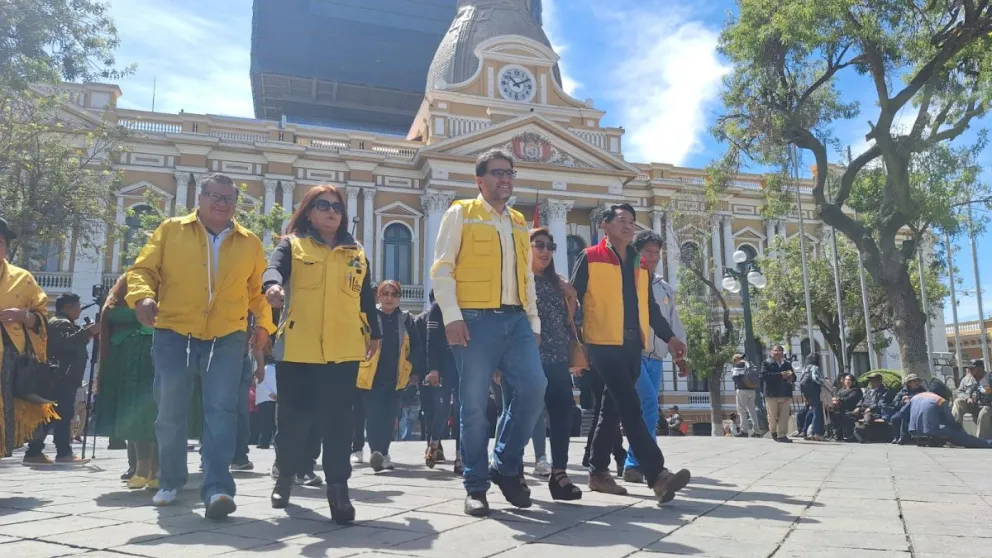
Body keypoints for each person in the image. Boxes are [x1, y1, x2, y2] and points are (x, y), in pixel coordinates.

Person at [126, 173, 274, 518]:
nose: (221, 204)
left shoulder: (249, 241)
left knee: (221, 410)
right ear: (200, 197)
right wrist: (143, 296)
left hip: (227, 335)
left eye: (228, 199)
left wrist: (265, 325)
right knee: (170, 410)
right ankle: (171, 479)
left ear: (236, 205)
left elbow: (257, 291)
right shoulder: (170, 230)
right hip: (174, 331)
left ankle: (218, 488)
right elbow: (142, 270)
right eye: (215, 196)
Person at [431, 149, 547, 516]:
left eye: (510, 172)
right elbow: (442, 267)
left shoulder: (516, 221)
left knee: (534, 388)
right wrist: (452, 315)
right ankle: (476, 486)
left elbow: (526, 277)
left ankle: (504, 463)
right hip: (475, 320)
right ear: (480, 180)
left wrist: (533, 321)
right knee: (474, 406)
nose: (506, 179)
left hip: (516, 320)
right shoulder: (461, 212)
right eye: (498, 173)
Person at [263, 184, 380, 524]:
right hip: (298, 348)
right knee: (293, 422)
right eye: (323, 205)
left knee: (339, 424)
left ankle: (339, 491)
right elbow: (273, 270)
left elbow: (366, 297)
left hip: (343, 350)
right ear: (309, 212)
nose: (331, 211)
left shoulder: (356, 252)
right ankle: (285, 476)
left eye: (337, 207)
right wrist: (272, 286)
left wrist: (376, 332)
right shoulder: (292, 244)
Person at [571, 203, 690, 504]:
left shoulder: (640, 265)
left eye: (632, 221)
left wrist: (672, 338)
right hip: (601, 344)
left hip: (631, 346)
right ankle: (656, 474)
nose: (628, 225)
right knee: (631, 405)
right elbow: (572, 303)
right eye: (621, 220)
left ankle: (598, 472)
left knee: (611, 412)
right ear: (605, 226)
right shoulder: (590, 257)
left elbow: (650, 309)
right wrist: (575, 346)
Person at [623, 230, 685, 484]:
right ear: (637, 253)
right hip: (634, 353)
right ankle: (641, 463)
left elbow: (672, 322)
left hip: (656, 357)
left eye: (657, 252)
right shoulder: (628, 279)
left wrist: (679, 354)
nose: (653, 256)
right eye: (648, 251)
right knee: (647, 406)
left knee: (644, 409)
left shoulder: (664, 287)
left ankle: (631, 463)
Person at [0, 218, 58, 458]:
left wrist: (23, 316)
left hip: (9, 360)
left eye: (0, 242)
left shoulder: (23, 279)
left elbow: (42, 319)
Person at [94, 276, 158, 488]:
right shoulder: (129, 279)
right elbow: (110, 311)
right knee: (137, 417)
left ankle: (159, 470)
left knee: (160, 416)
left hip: (158, 360)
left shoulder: (173, 278)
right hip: (127, 364)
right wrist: (139, 315)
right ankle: (140, 469)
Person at [22, 293, 98, 464]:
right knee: (62, 415)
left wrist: (85, 334)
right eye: (77, 307)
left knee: (52, 416)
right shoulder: (60, 323)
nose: (79, 310)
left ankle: (35, 452)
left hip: (60, 377)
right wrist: (87, 332)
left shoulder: (62, 323)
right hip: (61, 378)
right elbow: (67, 343)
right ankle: (63, 453)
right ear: (68, 307)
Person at [357, 280, 422, 472]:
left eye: (394, 294)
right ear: (378, 296)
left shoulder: (406, 319)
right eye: (385, 293)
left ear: (399, 298)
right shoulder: (369, 317)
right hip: (371, 376)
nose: (389, 298)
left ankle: (382, 453)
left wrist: (413, 368)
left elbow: (417, 346)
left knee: (389, 417)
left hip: (396, 377)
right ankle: (377, 452)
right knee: (374, 415)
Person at [424, 289, 462, 474]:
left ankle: (460, 455)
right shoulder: (438, 307)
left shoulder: (471, 305)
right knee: (442, 409)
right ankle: (433, 443)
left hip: (464, 365)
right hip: (444, 366)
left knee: (463, 410)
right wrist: (433, 369)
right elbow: (431, 342)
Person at [908, 389, 992, 448]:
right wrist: (958, 429)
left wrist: (902, 436)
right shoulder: (939, 399)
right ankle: (988, 443)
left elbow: (900, 414)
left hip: (914, 430)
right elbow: (949, 420)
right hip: (931, 431)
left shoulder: (915, 397)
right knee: (962, 437)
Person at [761, 345, 795, 442]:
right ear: (771, 352)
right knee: (772, 415)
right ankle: (773, 431)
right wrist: (780, 375)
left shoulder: (787, 364)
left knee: (784, 416)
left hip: (785, 394)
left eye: (779, 351)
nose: (777, 353)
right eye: (775, 351)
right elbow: (764, 375)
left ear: (782, 353)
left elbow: (794, 377)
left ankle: (782, 435)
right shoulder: (766, 363)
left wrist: (791, 377)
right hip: (771, 394)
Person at [952, 359, 991, 439]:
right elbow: (959, 391)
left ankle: (981, 440)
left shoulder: (990, 378)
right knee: (957, 402)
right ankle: (954, 434)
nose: (969, 370)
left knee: (985, 411)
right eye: (968, 368)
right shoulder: (966, 379)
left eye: (972, 368)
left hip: (988, 406)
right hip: (973, 405)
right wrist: (967, 398)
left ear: (980, 368)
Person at [852, 372, 892, 443]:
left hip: (875, 411)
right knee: (848, 415)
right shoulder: (868, 391)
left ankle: (862, 430)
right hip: (863, 409)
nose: (871, 382)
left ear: (879, 381)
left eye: (873, 380)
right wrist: (858, 407)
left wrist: (870, 408)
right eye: (870, 380)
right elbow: (862, 399)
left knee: (868, 415)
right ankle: (852, 435)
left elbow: (880, 403)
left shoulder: (884, 391)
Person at [888, 374, 926, 445]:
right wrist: (903, 401)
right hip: (903, 410)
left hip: (916, 411)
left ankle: (903, 437)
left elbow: (924, 401)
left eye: (918, 381)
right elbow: (894, 403)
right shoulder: (902, 391)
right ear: (909, 383)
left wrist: (911, 399)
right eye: (914, 381)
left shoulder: (922, 390)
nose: (917, 382)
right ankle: (897, 437)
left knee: (904, 416)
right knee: (894, 418)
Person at [797, 353, 827, 441]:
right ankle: (816, 433)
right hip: (815, 391)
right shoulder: (815, 367)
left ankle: (805, 430)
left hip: (807, 392)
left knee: (812, 411)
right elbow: (816, 378)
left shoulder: (805, 368)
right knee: (817, 412)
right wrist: (824, 382)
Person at [730, 354, 761, 437]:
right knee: (752, 410)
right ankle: (757, 431)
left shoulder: (739, 364)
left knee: (741, 410)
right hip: (752, 389)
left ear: (735, 360)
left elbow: (735, 377)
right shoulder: (750, 364)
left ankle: (744, 431)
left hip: (742, 390)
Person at [828, 373, 863, 442]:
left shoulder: (855, 390)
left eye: (849, 380)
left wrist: (839, 399)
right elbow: (837, 396)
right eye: (846, 379)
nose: (847, 381)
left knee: (843, 416)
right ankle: (838, 435)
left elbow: (850, 399)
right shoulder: (842, 390)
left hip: (851, 410)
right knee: (833, 414)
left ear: (853, 381)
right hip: (840, 409)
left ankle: (849, 435)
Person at [254, 351, 277, 450]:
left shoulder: (263, 369)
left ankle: (264, 442)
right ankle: (274, 441)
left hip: (264, 398)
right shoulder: (276, 369)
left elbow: (259, 382)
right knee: (275, 422)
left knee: (265, 422)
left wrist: (269, 394)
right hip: (275, 398)